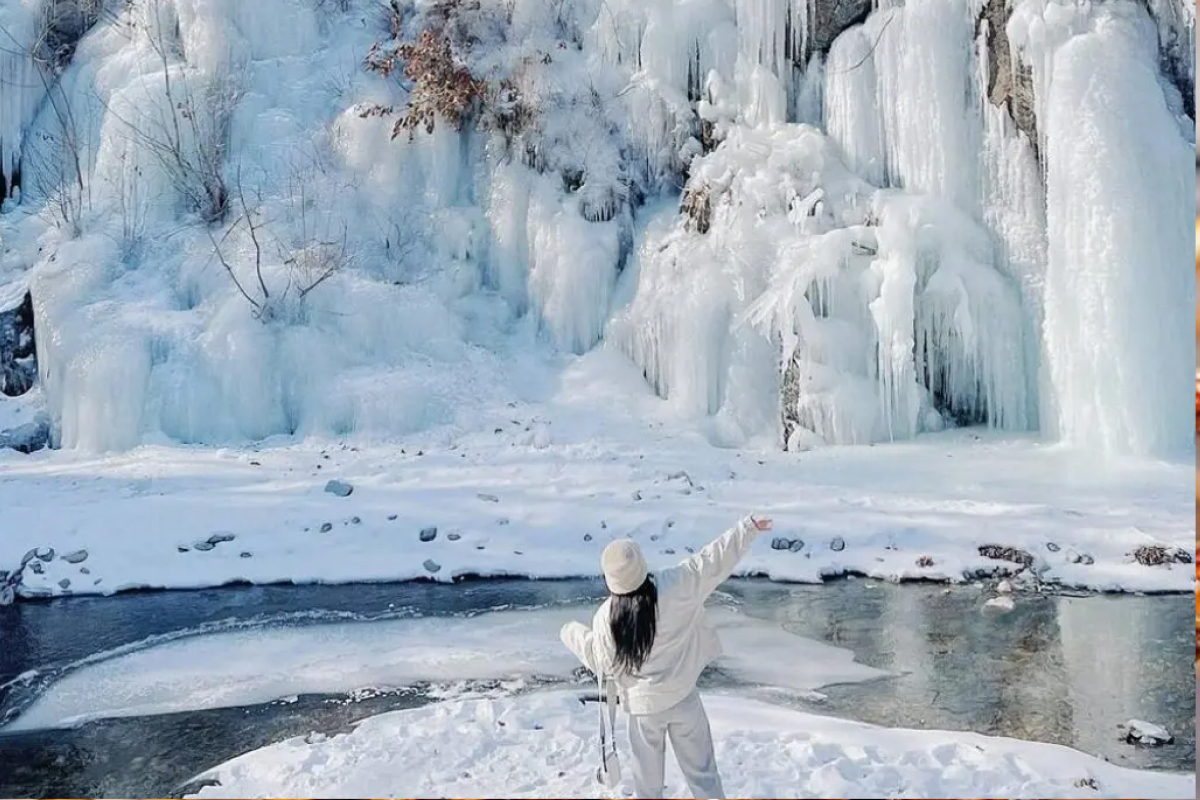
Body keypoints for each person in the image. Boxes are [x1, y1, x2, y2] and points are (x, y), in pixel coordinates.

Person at [560, 514, 774, 799]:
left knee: (648, 789)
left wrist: (570, 633)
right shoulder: (677, 585)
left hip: (643, 711)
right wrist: (746, 528)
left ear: (610, 580)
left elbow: (602, 662)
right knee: (704, 777)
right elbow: (712, 561)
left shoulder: (606, 618)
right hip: (684, 699)